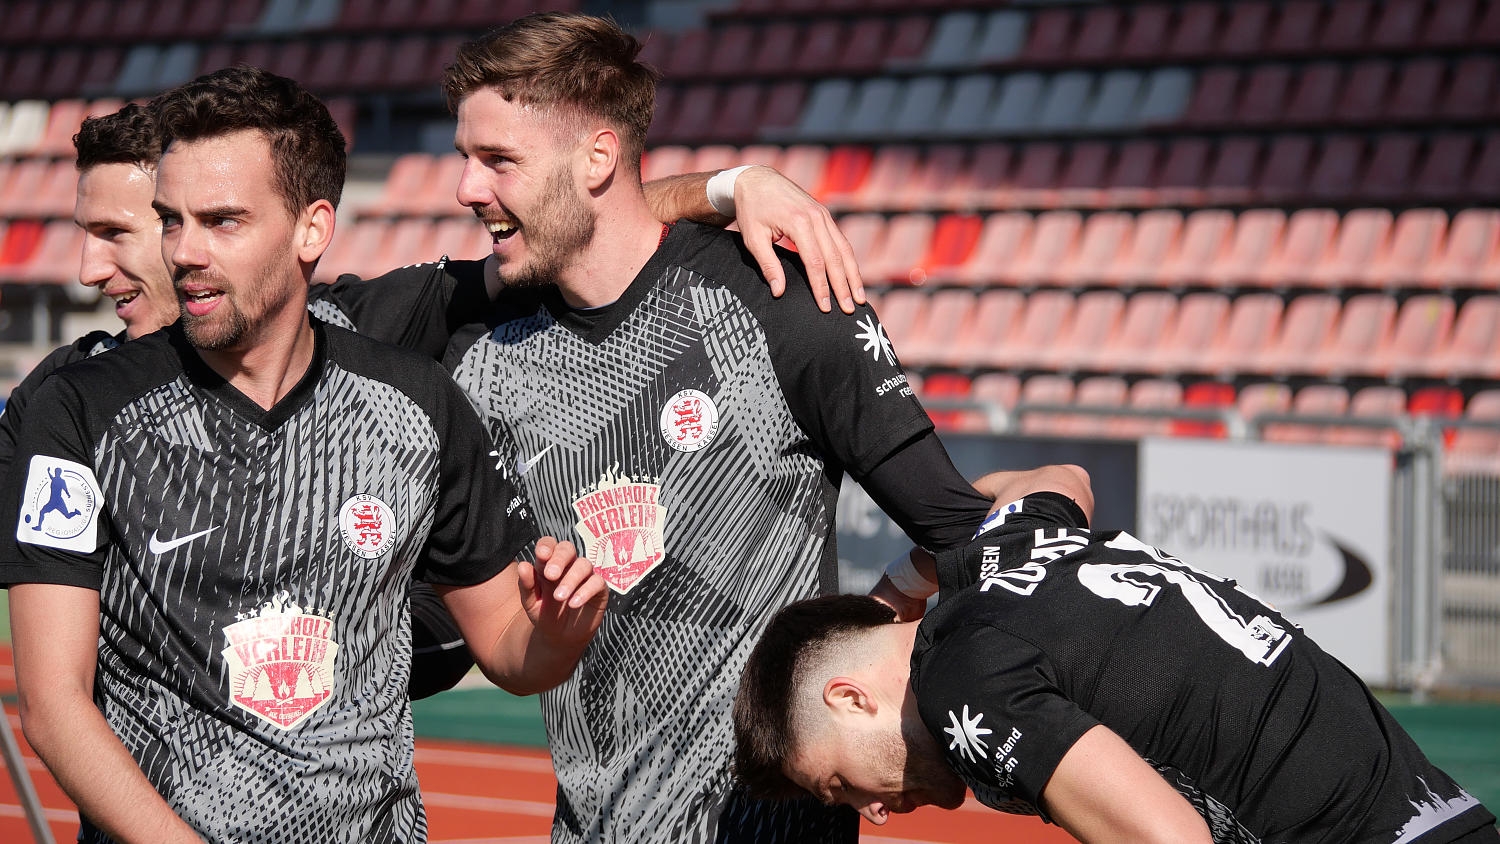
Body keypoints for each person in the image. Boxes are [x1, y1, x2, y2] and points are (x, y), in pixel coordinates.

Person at [315, 12, 1035, 841]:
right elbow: (474, 613)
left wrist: (904, 633)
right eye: (465, 159)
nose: (467, 189)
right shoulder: (477, 349)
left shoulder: (777, 304)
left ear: (597, 157)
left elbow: (962, 533)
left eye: (498, 160)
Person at [0, 95, 864, 699]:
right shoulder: (65, 403)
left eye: (119, 233)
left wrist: (729, 186)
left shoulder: (345, 326)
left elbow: (575, 225)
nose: (88, 270)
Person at [0, 66, 610, 843]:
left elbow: (511, 653)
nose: (185, 250)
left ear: (311, 230)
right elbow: (53, 708)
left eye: (222, 221)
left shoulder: (416, 402)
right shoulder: (80, 410)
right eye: (170, 220)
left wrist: (559, 633)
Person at [733, 468, 1500, 844]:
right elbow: (1058, 478)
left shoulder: (961, 682)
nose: (870, 810)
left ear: (849, 696)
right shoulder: (1006, 556)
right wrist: (897, 593)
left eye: (838, 783)